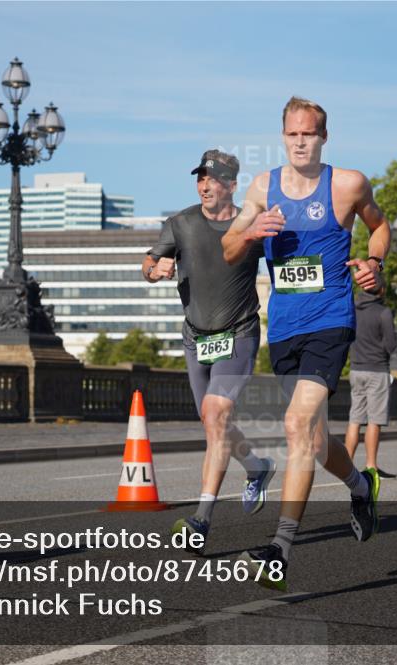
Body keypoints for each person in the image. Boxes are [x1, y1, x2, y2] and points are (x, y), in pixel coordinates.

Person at [222, 97, 391, 590]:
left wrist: (373, 263)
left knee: (296, 426)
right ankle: (361, 487)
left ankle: (280, 548)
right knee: (314, 441)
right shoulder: (262, 187)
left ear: (324, 137)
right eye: (293, 134)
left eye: (309, 133)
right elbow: (229, 250)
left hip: (331, 321)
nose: (301, 141)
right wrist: (251, 231)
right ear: (283, 136)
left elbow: (379, 227)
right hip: (286, 328)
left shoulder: (348, 184)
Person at [143, 149, 277, 554]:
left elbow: (286, 264)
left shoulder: (250, 223)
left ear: (232, 185)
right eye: (201, 178)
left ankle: (201, 519)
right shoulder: (180, 223)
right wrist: (155, 270)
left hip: (238, 333)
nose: (205, 185)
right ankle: (257, 467)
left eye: (214, 178)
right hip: (195, 338)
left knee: (216, 415)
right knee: (212, 422)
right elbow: (148, 264)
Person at [344, 285, 397, 477]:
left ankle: (346, 466)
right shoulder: (383, 312)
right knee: (374, 420)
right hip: (377, 369)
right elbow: (392, 345)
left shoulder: (352, 309)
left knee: (355, 419)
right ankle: (371, 466)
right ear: (381, 290)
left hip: (356, 369)